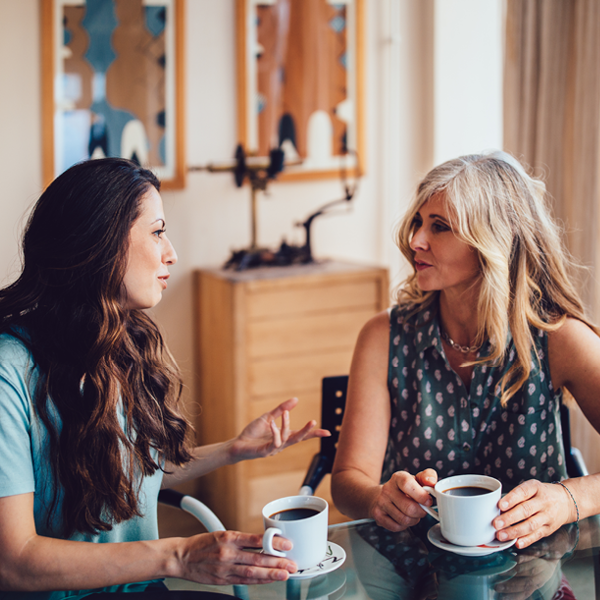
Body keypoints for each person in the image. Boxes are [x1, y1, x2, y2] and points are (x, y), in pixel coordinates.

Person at [0, 158, 329, 593]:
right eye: (157, 232)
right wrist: (179, 555)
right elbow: (15, 562)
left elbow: (125, 474)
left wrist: (233, 450)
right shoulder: (10, 369)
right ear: (101, 242)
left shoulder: (120, 341)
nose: (171, 252)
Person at [331, 151, 600, 551]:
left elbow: (575, 498)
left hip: (528, 577)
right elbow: (347, 479)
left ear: (491, 241)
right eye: (418, 223)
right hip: (406, 572)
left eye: (439, 227)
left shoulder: (560, 339)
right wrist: (377, 498)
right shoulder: (382, 336)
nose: (414, 240)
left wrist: (571, 498)